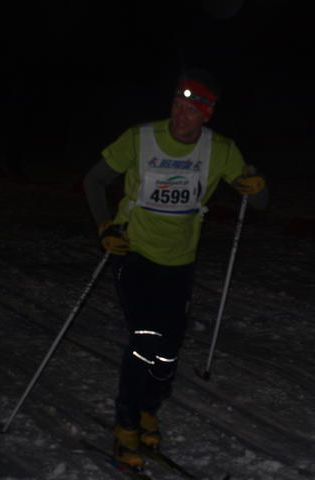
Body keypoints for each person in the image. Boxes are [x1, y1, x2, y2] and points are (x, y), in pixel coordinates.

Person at [83, 68, 267, 468]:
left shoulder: (220, 149)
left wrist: (257, 188)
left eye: (191, 111)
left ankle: (149, 409)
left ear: (207, 115)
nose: (180, 116)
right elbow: (94, 180)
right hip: (133, 252)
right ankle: (125, 426)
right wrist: (104, 227)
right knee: (145, 339)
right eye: (177, 106)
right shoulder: (141, 138)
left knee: (167, 353)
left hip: (180, 262)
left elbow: (259, 201)